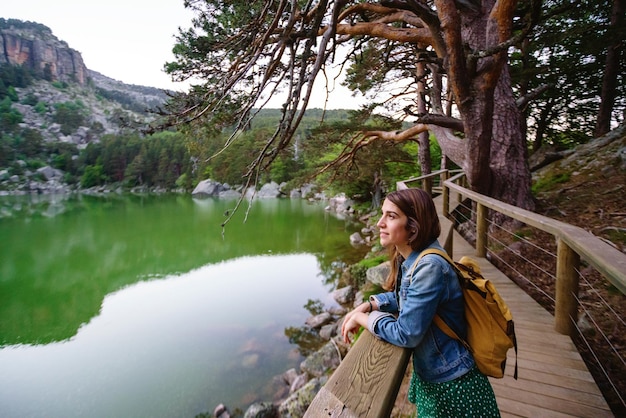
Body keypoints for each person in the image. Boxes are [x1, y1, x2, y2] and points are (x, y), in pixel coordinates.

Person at [341, 188, 500, 417]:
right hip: (440, 375)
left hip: (454, 386)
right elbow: (406, 298)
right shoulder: (415, 257)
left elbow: (407, 333)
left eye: (391, 216)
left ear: (413, 226)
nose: (379, 223)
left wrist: (363, 319)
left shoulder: (429, 266)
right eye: (382, 214)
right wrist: (371, 304)